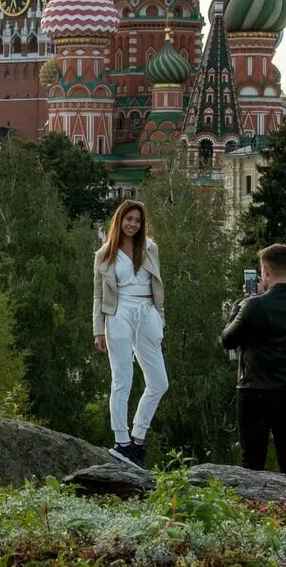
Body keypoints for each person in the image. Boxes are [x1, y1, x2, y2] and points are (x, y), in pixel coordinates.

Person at [220, 243, 286, 482]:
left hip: (255, 391)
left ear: (264, 273)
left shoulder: (254, 305)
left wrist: (240, 306)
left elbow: (227, 340)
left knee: (252, 463)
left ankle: (252, 514)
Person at [92, 199, 168, 470]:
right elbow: (98, 294)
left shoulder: (149, 248)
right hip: (119, 313)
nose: (133, 224)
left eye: (137, 220)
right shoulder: (105, 253)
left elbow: (157, 284)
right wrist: (98, 330)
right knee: (122, 379)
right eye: (129, 219)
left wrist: (160, 318)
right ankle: (121, 441)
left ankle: (138, 440)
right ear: (119, 220)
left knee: (159, 382)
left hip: (147, 311)